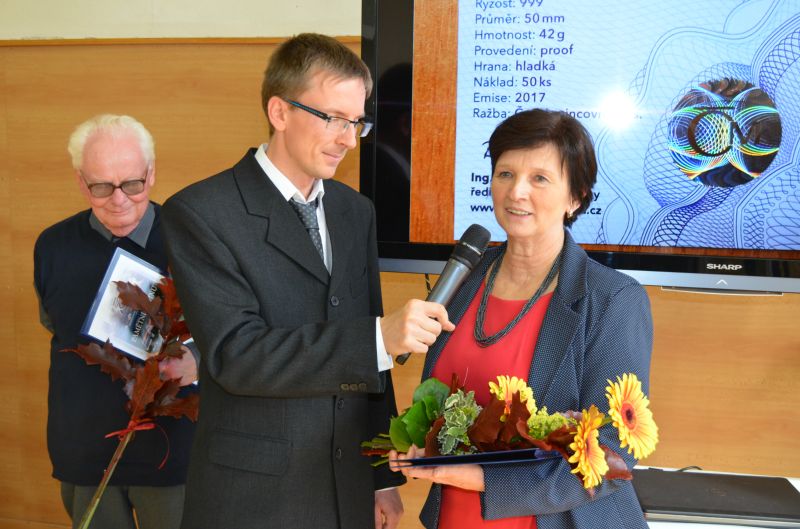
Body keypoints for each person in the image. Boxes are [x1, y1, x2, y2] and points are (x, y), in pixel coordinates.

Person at [161, 33, 452, 529]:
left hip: (347, 490)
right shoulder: (202, 212)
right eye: (333, 118)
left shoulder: (355, 211)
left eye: (356, 122)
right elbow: (237, 355)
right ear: (279, 111)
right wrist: (378, 337)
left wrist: (380, 476)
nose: (348, 139)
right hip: (254, 500)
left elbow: (373, 364)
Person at [391, 109, 654, 529]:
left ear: (576, 197)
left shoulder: (612, 299)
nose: (516, 192)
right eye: (506, 174)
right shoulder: (464, 277)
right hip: (455, 515)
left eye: (540, 178)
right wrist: (426, 448)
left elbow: (611, 453)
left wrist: (484, 480)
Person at [33, 114, 199, 529]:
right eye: (102, 186)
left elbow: (235, 332)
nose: (119, 199)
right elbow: (55, 324)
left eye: (133, 184)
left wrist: (197, 360)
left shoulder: (194, 241)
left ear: (152, 173)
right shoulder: (53, 245)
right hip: (86, 451)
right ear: (81, 182)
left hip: (172, 453)